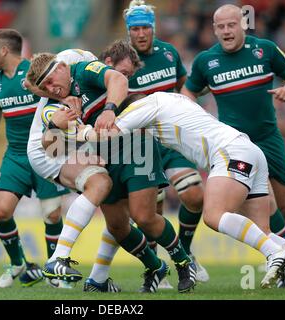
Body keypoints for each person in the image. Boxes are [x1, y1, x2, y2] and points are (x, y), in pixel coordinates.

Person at [78, 92, 285, 295]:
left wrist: (74, 130)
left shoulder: (141, 107)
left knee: (214, 216)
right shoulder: (173, 99)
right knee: (264, 231)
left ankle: (274, 253)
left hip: (229, 153)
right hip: (249, 150)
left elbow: (107, 132)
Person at [27, 51, 196, 293]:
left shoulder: (84, 70)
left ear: (63, 67)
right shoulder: (57, 105)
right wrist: (55, 126)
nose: (52, 88)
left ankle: (182, 262)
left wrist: (109, 108)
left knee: (144, 217)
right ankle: (154, 267)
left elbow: (118, 80)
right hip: (105, 155)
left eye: (52, 81)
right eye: (45, 87)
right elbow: (50, 148)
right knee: (117, 225)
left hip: (137, 146)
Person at [180, 4, 285, 287]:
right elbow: (189, 91)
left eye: (231, 25)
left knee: (283, 206)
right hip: (235, 145)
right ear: (214, 29)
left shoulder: (265, 50)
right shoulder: (205, 61)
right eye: (220, 26)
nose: (226, 31)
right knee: (267, 201)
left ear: (242, 25)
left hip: (269, 138)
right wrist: (193, 114)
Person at [0, 29, 70, 288]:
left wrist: (34, 86)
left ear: (4, 50)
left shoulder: (35, 71)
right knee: (1, 210)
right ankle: (18, 263)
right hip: (15, 154)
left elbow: (60, 97)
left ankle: (54, 272)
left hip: (47, 148)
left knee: (52, 215)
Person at [123, 0, 208, 284]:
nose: (141, 33)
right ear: (128, 31)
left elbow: (184, 84)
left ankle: (186, 252)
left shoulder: (169, 53)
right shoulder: (120, 60)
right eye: (135, 28)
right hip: (142, 145)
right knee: (151, 214)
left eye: (145, 27)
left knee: (195, 195)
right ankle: (160, 270)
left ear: (153, 28)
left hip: (171, 138)